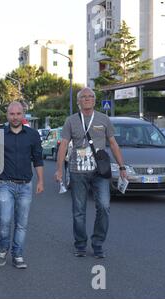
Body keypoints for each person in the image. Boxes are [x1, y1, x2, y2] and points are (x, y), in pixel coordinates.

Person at [54, 87, 127, 259]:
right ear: (78, 101)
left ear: (94, 100)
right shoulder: (71, 121)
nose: (87, 99)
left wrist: (122, 167)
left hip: (99, 171)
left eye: (90, 96)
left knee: (104, 206)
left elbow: (113, 143)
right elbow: (63, 145)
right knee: (78, 210)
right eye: (83, 97)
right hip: (77, 171)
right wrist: (58, 170)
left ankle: (98, 243)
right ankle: (80, 244)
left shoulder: (103, 119)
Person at [0, 102, 44, 269]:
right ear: (7, 115)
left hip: (26, 186)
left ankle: (17, 254)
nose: (15, 117)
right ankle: (3, 249)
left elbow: (38, 159)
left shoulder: (33, 135)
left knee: (21, 223)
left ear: (23, 114)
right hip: (5, 184)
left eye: (18, 114)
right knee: (4, 221)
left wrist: (40, 181)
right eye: (12, 114)